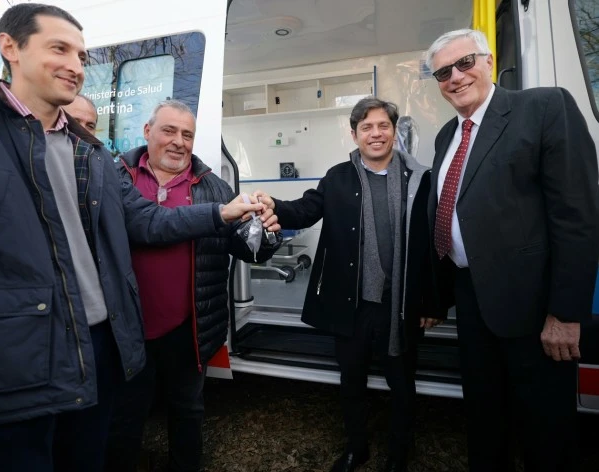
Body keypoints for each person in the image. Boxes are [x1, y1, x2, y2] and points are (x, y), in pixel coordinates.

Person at [0, 4, 277, 472]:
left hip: (99, 359)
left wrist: (224, 212)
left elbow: (149, 222)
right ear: (9, 46)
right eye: (59, 48)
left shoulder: (90, 154)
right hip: (8, 376)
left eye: (81, 54)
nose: (75, 64)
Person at [425, 29, 599, 471]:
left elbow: (576, 216)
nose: (456, 77)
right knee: (484, 419)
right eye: (443, 72)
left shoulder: (543, 107)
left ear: (486, 61)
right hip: (472, 299)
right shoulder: (447, 134)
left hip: (534, 308)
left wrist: (565, 313)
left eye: (464, 63)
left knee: (546, 430)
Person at [254, 97, 441, 472]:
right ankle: (357, 447)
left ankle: (399, 453)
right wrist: (272, 203)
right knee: (351, 382)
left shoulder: (420, 178)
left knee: (402, 386)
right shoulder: (338, 177)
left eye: (383, 126)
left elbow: (431, 244)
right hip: (352, 304)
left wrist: (432, 303)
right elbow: (306, 209)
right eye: (367, 127)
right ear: (354, 134)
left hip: (399, 304)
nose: (376, 134)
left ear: (393, 130)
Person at [105, 99, 281, 472]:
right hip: (126, 330)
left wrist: (266, 235)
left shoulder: (213, 187)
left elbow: (247, 249)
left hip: (189, 329)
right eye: (169, 131)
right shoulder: (117, 177)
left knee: (187, 411)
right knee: (125, 416)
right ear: (147, 131)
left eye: (187, 134)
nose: (178, 142)